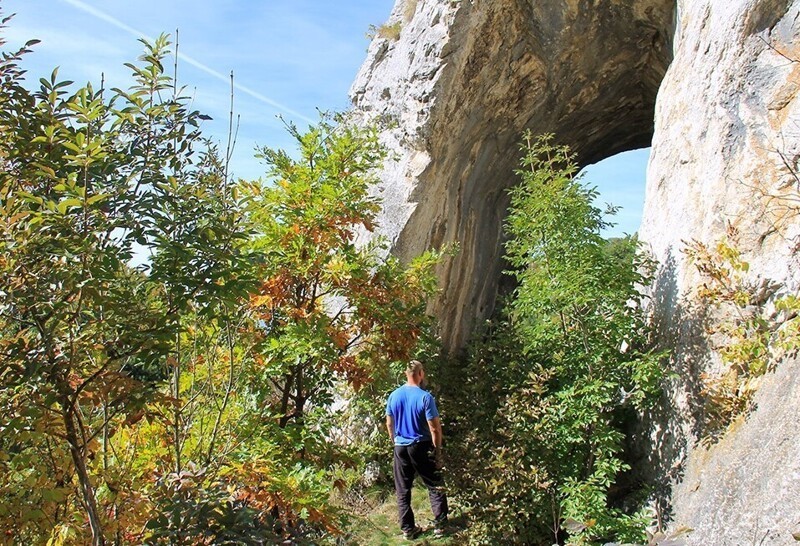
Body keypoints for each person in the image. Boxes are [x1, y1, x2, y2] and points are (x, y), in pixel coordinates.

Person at [385, 360, 449, 540]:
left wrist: (395, 441)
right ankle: (440, 525)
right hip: (421, 445)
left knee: (403, 489)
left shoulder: (394, 396)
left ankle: (408, 529)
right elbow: (435, 428)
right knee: (435, 484)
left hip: (400, 446)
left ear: (406, 374)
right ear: (420, 374)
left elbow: (389, 423)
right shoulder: (425, 397)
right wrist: (437, 452)